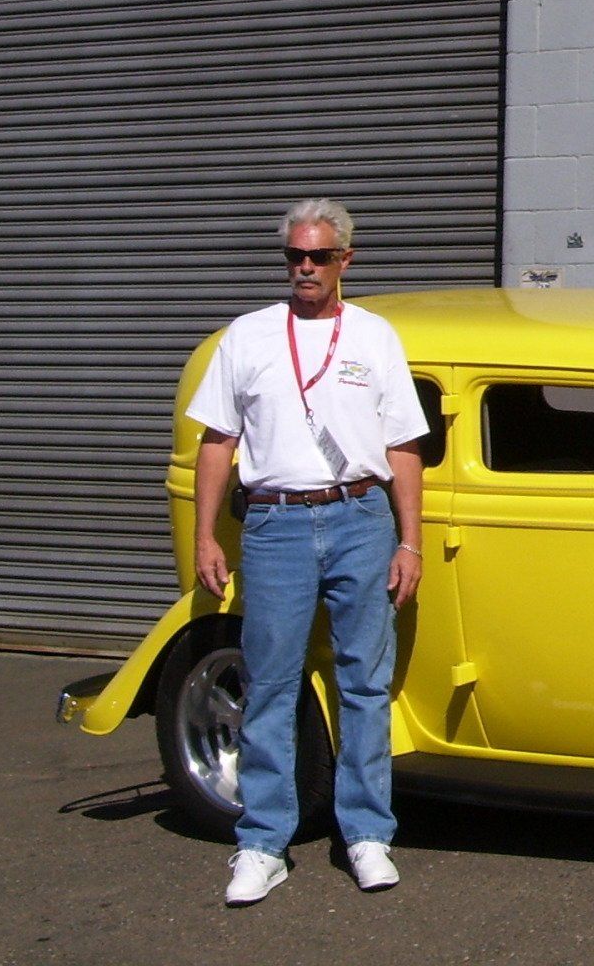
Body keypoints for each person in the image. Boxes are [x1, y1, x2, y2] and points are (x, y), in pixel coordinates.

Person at [187, 198, 427, 906]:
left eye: (319, 257)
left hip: (360, 515)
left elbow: (403, 446)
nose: (305, 269)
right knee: (270, 684)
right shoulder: (249, 336)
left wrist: (408, 538)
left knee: (364, 683)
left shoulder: (376, 337)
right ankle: (263, 842)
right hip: (276, 523)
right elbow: (217, 441)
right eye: (295, 256)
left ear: (345, 260)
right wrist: (206, 534)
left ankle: (367, 834)